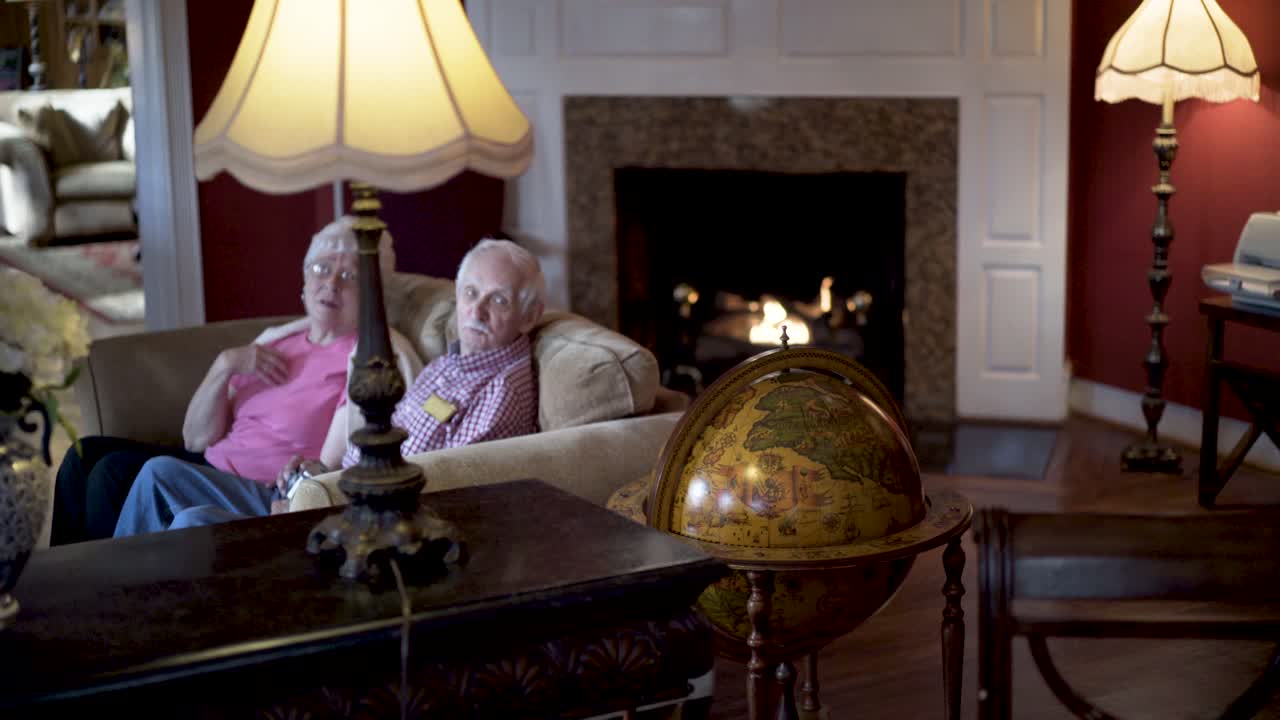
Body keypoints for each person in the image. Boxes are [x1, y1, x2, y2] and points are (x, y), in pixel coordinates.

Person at [112, 238, 545, 537]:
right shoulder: (451, 364)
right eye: (470, 293)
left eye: (498, 300)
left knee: (192, 522)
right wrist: (315, 473)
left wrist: (319, 498)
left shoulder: (500, 393)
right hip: (322, 490)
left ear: (529, 316)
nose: (477, 312)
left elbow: (433, 490)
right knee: (157, 474)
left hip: (349, 521)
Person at [51, 217, 418, 543]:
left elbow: (335, 465)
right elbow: (195, 438)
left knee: (110, 474)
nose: (331, 283)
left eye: (350, 276)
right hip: (211, 462)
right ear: (304, 282)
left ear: (373, 294)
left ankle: (96, 583)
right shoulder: (280, 339)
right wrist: (224, 364)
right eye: (322, 269)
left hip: (258, 485)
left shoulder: (363, 360)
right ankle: (60, 580)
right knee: (83, 456)